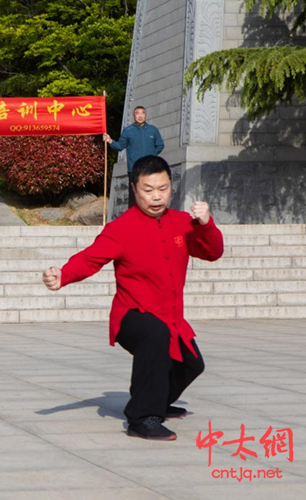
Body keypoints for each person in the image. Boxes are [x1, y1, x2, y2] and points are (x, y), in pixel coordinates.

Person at [42, 155, 223, 441]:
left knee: (192, 364)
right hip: (131, 316)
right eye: (148, 190)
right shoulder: (121, 229)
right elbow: (90, 259)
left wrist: (205, 223)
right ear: (134, 189)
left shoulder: (183, 223)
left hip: (170, 316)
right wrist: (63, 275)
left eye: (162, 189)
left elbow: (212, 252)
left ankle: (157, 400)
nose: (156, 196)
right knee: (156, 335)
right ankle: (142, 418)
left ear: (171, 188)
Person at [103, 106, 164, 208]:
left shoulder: (153, 130)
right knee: (134, 196)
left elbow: (160, 145)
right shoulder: (128, 131)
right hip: (134, 169)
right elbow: (119, 146)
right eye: (137, 113)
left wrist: (152, 155)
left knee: (150, 194)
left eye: (142, 113)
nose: (140, 116)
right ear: (133, 116)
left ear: (145, 115)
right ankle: (133, 221)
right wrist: (110, 140)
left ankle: (150, 219)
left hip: (150, 169)